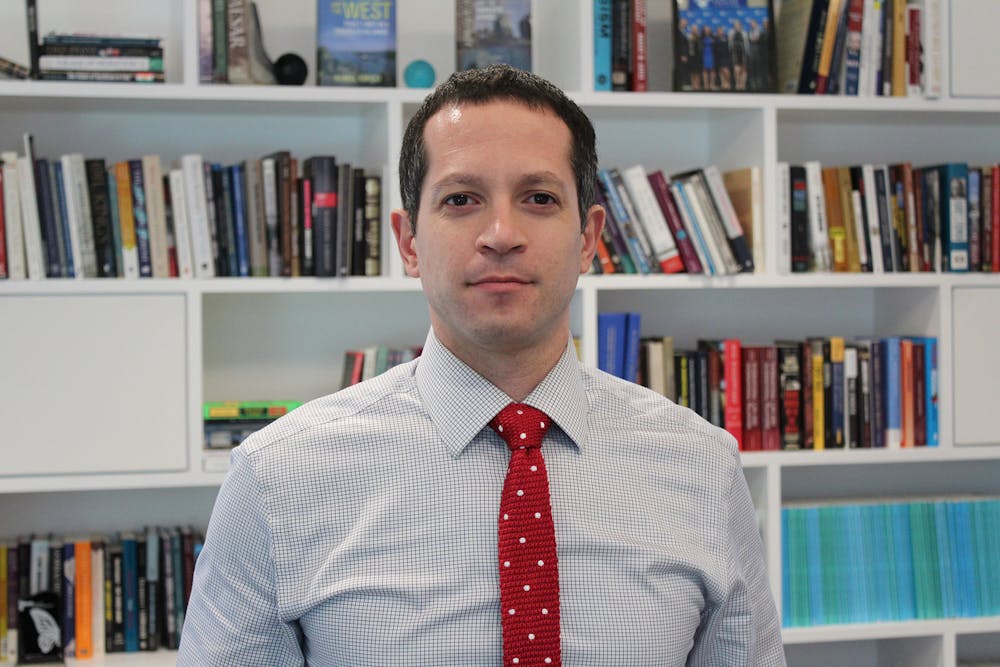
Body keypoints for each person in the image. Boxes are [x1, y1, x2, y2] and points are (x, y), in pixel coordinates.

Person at [177, 64, 785, 665]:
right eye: (461, 199)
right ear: (409, 243)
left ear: (588, 239)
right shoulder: (276, 479)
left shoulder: (704, 467)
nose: (500, 234)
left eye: (539, 198)